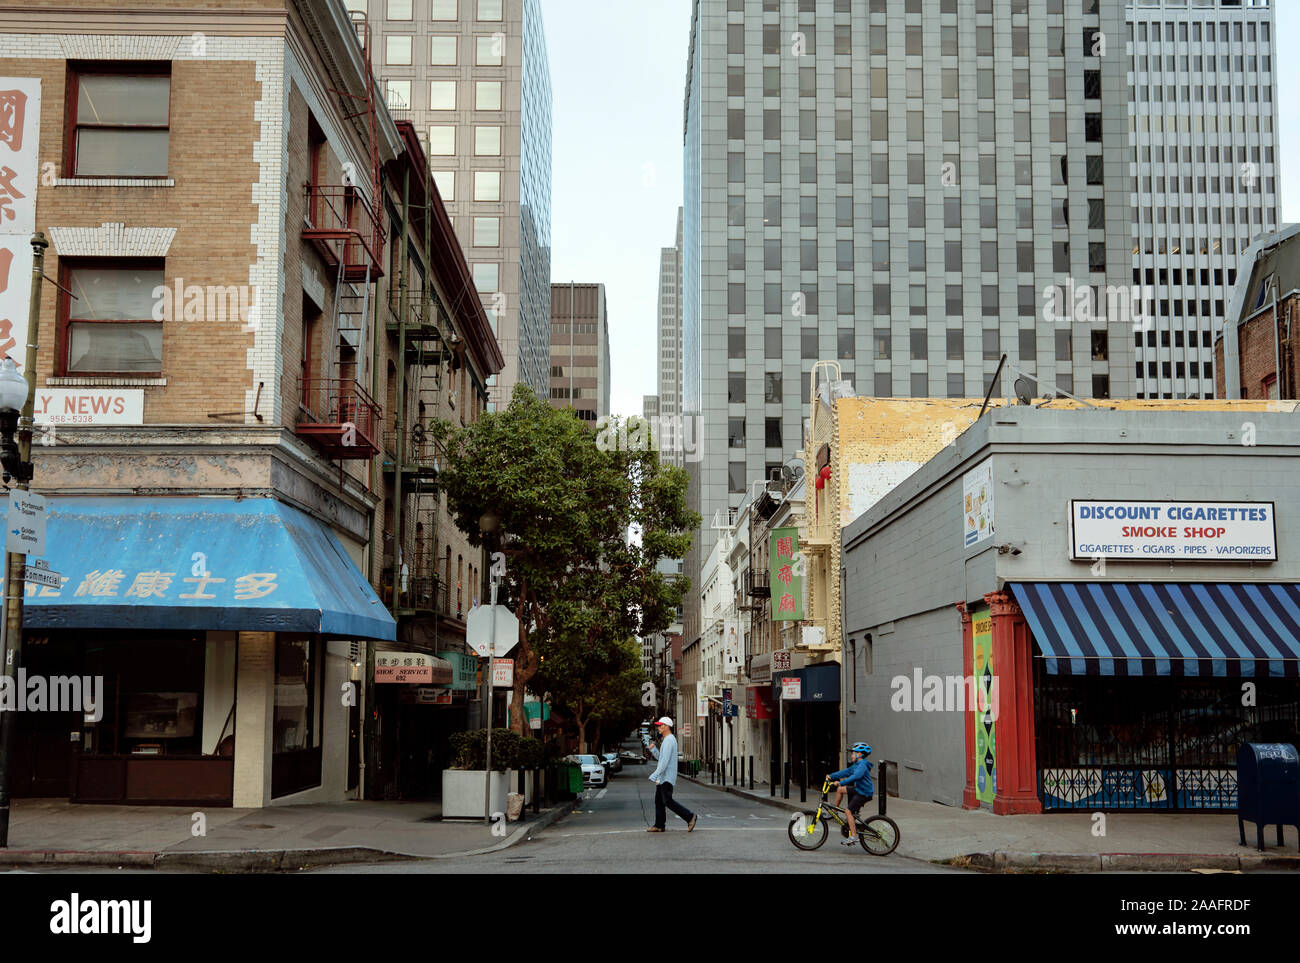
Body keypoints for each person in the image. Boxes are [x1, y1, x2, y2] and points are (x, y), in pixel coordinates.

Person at [646, 716, 697, 833]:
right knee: (659, 801)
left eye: (660, 725)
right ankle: (659, 825)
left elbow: (664, 762)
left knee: (667, 801)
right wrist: (654, 750)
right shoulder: (667, 740)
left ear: (666, 726)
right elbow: (661, 759)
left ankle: (690, 816)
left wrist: (654, 775)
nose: (658, 728)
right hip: (662, 777)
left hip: (666, 777)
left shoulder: (669, 740)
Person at [828, 743, 874, 846]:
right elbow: (846, 772)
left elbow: (855, 777)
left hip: (864, 793)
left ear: (859, 754)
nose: (852, 756)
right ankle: (834, 811)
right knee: (840, 790)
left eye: (853, 753)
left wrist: (840, 782)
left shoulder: (862, 765)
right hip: (859, 789)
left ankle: (853, 836)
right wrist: (831, 776)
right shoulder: (857, 764)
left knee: (848, 811)